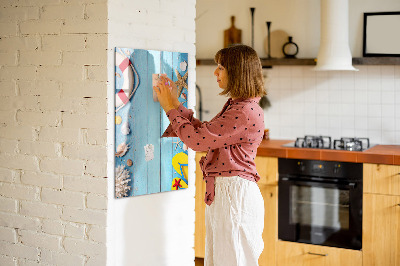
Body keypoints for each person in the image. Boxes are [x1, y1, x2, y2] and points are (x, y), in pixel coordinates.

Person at [153, 44, 266, 266]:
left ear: (237, 72)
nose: (215, 72)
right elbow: (205, 134)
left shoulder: (243, 111)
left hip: (234, 195)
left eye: (221, 67)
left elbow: (197, 141)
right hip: (228, 193)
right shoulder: (239, 106)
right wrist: (176, 104)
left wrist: (169, 108)